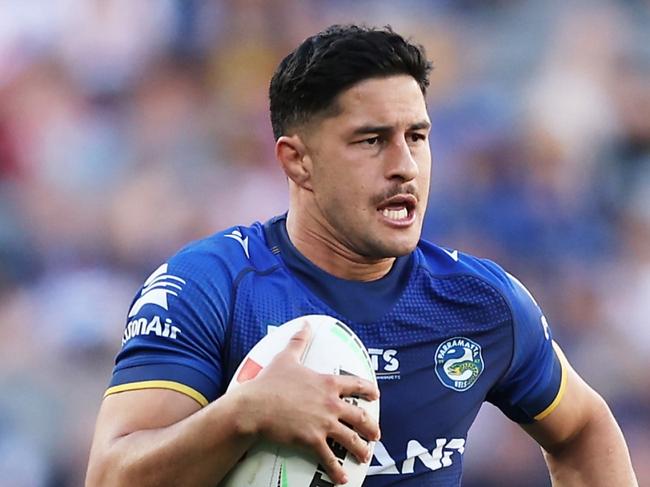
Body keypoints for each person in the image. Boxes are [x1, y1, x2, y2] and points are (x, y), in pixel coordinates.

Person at [85, 24, 637, 486]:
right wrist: (242, 415)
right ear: (297, 161)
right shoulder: (210, 287)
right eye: (372, 140)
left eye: (416, 137)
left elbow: (584, 429)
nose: (405, 166)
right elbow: (110, 474)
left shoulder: (481, 301)